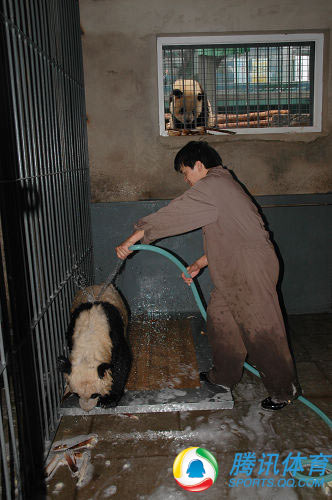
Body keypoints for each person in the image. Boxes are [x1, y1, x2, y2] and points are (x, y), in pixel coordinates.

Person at [116, 141, 301, 411]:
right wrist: (201, 263)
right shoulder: (221, 187)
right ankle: (224, 376)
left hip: (249, 268)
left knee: (260, 329)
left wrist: (134, 238)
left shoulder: (213, 185)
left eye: (185, 172)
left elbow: (173, 214)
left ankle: (284, 389)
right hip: (233, 266)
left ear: (199, 165)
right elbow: (229, 233)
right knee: (221, 320)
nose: (186, 179)